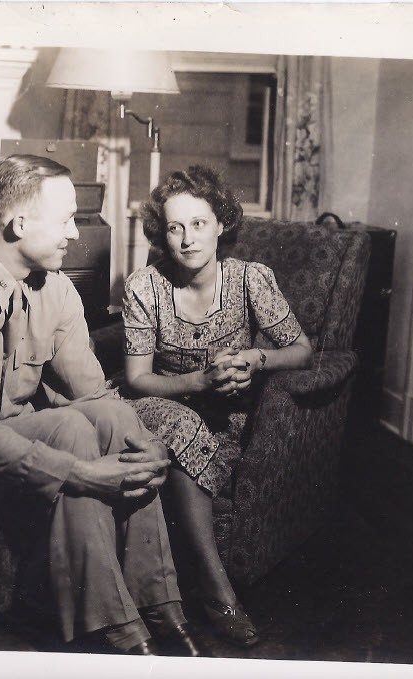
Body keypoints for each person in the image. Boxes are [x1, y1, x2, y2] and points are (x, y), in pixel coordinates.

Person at [0, 155, 207, 657]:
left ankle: (157, 603)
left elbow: (95, 395)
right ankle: (112, 630)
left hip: (10, 444)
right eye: (65, 220)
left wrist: (142, 443)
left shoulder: (55, 288)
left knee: (106, 419)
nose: (74, 234)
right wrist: (81, 473)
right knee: (70, 431)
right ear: (19, 224)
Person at [121, 165, 313, 647]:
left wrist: (254, 358)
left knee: (192, 437)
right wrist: (198, 380)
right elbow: (137, 379)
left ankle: (163, 595)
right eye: (174, 227)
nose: (187, 239)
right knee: (182, 423)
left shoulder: (252, 280)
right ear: (162, 234)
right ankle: (217, 589)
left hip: (228, 420)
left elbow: (302, 349)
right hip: (157, 408)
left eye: (199, 224)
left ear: (221, 223)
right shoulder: (144, 287)